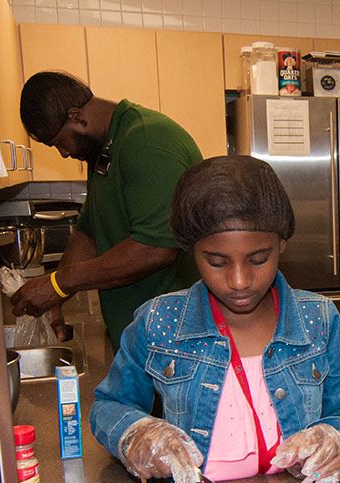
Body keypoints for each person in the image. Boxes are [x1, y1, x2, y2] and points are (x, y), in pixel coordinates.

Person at [90, 156, 340, 483]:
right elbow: (108, 406)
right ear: (192, 252)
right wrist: (135, 433)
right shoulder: (159, 322)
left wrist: (337, 440)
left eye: (259, 259)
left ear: (281, 246)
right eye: (217, 262)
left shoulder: (319, 320)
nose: (240, 281)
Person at [12, 71, 201, 350]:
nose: (63, 153)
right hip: (140, 336)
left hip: (174, 338)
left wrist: (61, 282)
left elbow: (155, 247)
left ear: (76, 116)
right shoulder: (105, 148)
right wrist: (55, 298)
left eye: (59, 142)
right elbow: (88, 232)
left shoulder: (147, 142)